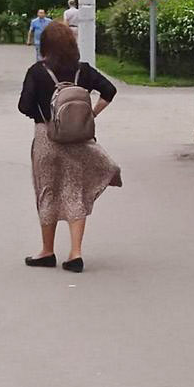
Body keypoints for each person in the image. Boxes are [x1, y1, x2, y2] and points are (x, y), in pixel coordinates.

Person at [16, 20, 121, 272]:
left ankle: (47, 251)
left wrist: (45, 115)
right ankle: (75, 253)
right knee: (75, 191)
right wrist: (91, 114)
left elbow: (24, 106)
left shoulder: (37, 71)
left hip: (47, 139)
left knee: (47, 191)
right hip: (78, 138)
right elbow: (109, 90)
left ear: (46, 46)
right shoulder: (83, 71)